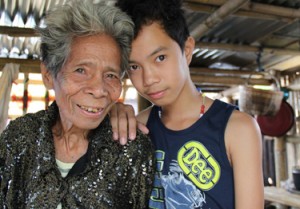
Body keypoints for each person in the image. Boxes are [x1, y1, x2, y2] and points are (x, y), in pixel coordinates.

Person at [0, 0, 155, 208]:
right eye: (81, 70)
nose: (99, 90)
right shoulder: (19, 138)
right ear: (48, 75)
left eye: (111, 75)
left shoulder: (131, 150)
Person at [111, 0, 264, 208]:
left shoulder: (238, 129)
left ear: (187, 50)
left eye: (160, 57)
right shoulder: (136, 129)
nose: (148, 79)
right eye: (134, 66)